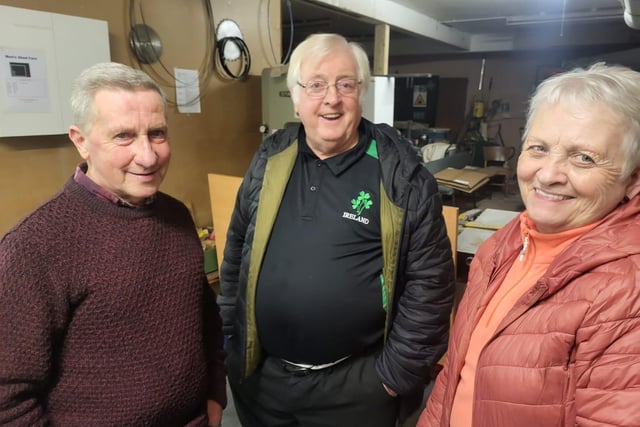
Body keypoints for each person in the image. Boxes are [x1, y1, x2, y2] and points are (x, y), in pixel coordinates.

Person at [217, 33, 455, 426]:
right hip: (264, 382)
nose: (332, 98)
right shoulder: (269, 159)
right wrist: (231, 342)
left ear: (361, 93)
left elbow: (431, 283)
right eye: (316, 85)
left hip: (357, 390)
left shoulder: (400, 175)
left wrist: (392, 378)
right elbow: (236, 253)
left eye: (346, 84)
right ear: (295, 97)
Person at [0, 62, 227, 426]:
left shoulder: (177, 215)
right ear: (80, 141)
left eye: (157, 133)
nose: (148, 156)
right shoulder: (35, 245)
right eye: (123, 136)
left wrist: (215, 391)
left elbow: (204, 317)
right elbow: (8, 396)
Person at [419, 62, 640, 427]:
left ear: (632, 179)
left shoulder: (626, 291)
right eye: (538, 148)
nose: (549, 174)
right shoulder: (504, 245)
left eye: (583, 157)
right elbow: (456, 376)